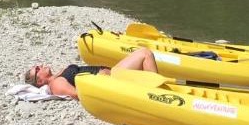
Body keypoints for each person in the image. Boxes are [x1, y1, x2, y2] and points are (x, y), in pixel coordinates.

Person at [25, 47, 158, 99]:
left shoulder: (58, 76)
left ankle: (155, 87)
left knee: (143, 55)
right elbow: (80, 94)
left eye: (37, 66)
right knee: (144, 54)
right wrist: (101, 81)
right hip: (112, 79)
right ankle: (157, 93)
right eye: (37, 70)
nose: (39, 66)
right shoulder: (56, 84)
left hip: (113, 74)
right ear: (40, 81)